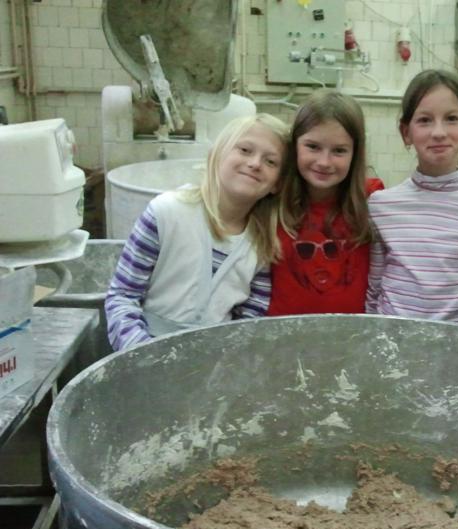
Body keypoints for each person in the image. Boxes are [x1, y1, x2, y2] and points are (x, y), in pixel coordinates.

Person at [105, 113, 288, 351]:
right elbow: (122, 296)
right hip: (144, 351)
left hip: (215, 360)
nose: (255, 163)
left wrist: (231, 357)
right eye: (244, 150)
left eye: (271, 162)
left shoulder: (262, 243)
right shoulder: (166, 213)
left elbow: (251, 316)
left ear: (277, 184)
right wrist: (143, 354)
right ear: (216, 155)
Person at [365, 69, 458, 326]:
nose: (438, 132)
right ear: (406, 132)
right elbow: (374, 288)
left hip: (453, 344)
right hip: (393, 340)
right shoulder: (381, 206)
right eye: (424, 120)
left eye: (451, 119)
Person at [265, 89, 376, 315]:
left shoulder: (372, 198)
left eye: (339, 151)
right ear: (294, 145)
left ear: (355, 153)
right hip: (281, 334)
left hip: (352, 333)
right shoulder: (273, 199)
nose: (324, 162)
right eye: (313, 147)